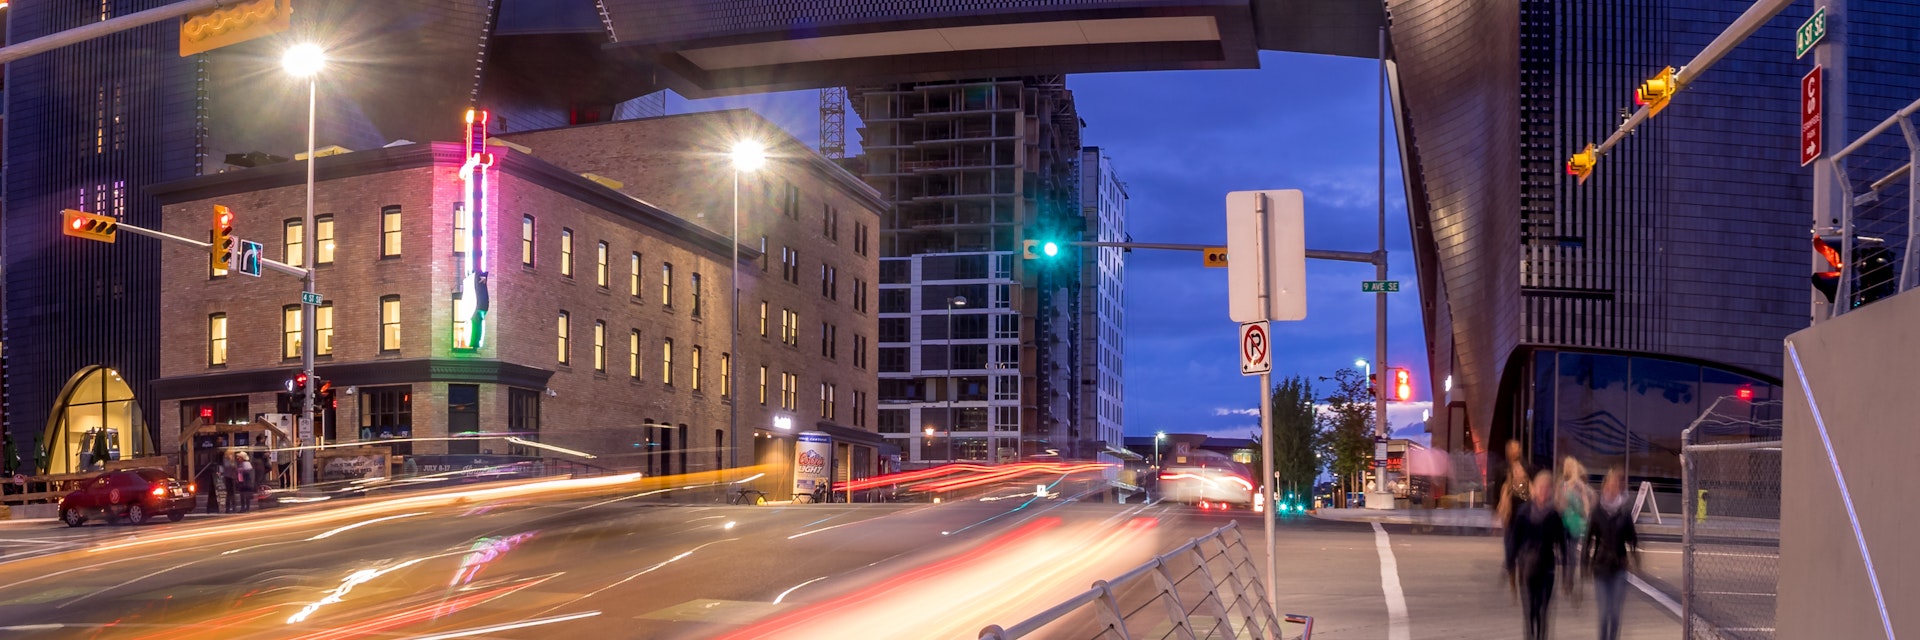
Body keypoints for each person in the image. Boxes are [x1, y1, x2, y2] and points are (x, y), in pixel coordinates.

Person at [1506, 470, 1567, 640]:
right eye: (1541, 487)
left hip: (1547, 568)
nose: (1543, 491)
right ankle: (1531, 636)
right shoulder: (1524, 512)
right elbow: (1514, 540)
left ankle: (1541, 636)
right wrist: (1510, 563)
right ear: (1534, 489)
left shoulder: (1554, 515)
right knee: (1530, 611)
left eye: (1547, 488)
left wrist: (1567, 572)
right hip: (1527, 569)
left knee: (1543, 611)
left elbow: (1562, 542)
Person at [1586, 467, 1640, 640]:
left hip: (1618, 567)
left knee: (1615, 613)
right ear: (1604, 487)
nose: (1612, 489)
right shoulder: (1596, 512)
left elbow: (1632, 538)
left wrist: (1635, 557)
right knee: (1604, 614)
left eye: (1616, 486)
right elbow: (1588, 539)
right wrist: (1584, 564)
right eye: (1610, 485)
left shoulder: (1624, 514)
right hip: (1601, 568)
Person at [1559, 457, 1595, 604]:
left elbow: (1587, 502)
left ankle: (1569, 580)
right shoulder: (1562, 484)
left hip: (1574, 523)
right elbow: (1558, 503)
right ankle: (1566, 580)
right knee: (1564, 552)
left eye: (1568, 466)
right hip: (1562, 523)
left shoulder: (1578, 486)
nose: (1566, 469)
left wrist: (1586, 516)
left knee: (1571, 552)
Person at [1496, 440, 1532, 530]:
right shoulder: (1503, 469)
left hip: (1524, 507)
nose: (1516, 452)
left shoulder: (1526, 467)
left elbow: (1532, 490)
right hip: (1510, 509)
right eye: (1513, 449)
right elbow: (1498, 489)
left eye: (1517, 449)